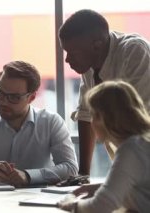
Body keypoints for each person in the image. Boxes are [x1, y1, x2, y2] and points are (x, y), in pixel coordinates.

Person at [0, 61, 78, 187]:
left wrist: (28, 176)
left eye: (14, 97)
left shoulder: (51, 122)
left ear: (31, 98)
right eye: (0, 93)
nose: (4, 102)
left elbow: (71, 168)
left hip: (39, 201)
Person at [59, 9, 150, 175]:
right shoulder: (89, 63)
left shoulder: (134, 51)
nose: (67, 60)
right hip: (130, 169)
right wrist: (83, 175)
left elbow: (135, 119)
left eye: (73, 53)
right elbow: (86, 115)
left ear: (97, 45)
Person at [58, 80, 150, 212]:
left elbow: (101, 206)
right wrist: (102, 187)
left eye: (93, 115)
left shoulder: (131, 149)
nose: (91, 122)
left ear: (103, 118)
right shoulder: (142, 143)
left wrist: (71, 204)